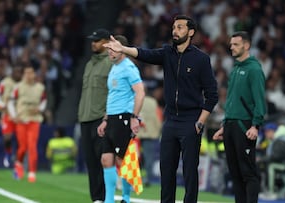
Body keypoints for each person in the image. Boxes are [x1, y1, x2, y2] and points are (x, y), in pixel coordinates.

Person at [104, 15, 218, 203]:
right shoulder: (167, 53)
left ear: (191, 32)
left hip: (191, 121)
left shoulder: (201, 59)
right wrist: (123, 48)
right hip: (171, 120)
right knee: (167, 170)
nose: (175, 30)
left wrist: (200, 122)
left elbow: (212, 95)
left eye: (180, 27)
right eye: (174, 27)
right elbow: (144, 53)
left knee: (190, 171)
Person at [213, 31, 266, 203]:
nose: (231, 47)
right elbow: (232, 100)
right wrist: (224, 124)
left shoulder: (254, 69)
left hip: (245, 126)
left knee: (248, 173)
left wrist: (255, 125)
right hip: (230, 125)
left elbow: (260, 100)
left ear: (247, 45)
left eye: (236, 44)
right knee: (235, 173)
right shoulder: (236, 68)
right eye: (231, 44)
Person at [97, 35, 145, 203]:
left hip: (124, 117)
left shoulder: (129, 68)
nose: (109, 52)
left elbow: (140, 92)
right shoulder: (115, 67)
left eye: (113, 48)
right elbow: (113, 95)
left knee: (122, 160)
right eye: (108, 48)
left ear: (121, 49)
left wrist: (134, 117)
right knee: (106, 159)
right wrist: (105, 119)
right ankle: (109, 200)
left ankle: (125, 197)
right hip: (112, 119)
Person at [77, 28, 112, 203]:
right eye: (93, 40)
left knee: (103, 160)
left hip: (100, 118)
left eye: (97, 40)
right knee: (91, 162)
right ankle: (97, 199)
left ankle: (106, 197)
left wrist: (107, 117)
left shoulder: (110, 63)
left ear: (106, 42)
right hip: (85, 118)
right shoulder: (89, 63)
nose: (93, 43)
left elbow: (113, 92)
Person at [8, 64, 47, 183]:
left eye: (31, 73)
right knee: (23, 147)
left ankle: (31, 172)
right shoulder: (17, 87)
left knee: (32, 146)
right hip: (22, 119)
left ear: (34, 74)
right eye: (26, 73)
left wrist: (40, 109)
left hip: (34, 119)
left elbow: (44, 100)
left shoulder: (40, 87)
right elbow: (10, 102)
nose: (29, 75)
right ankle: (18, 163)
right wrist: (14, 115)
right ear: (24, 74)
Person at [0, 64, 23, 168]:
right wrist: (3, 106)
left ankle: (18, 158)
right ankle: (8, 153)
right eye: (17, 72)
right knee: (7, 137)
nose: (18, 74)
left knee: (21, 138)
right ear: (13, 72)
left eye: (20, 72)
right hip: (7, 114)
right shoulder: (5, 83)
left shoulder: (23, 84)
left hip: (20, 115)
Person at [137, 87, 162, 186]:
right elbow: (158, 117)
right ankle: (147, 178)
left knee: (135, 157)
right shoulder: (153, 102)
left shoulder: (136, 100)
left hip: (137, 133)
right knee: (149, 157)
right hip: (151, 133)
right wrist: (157, 130)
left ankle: (134, 177)